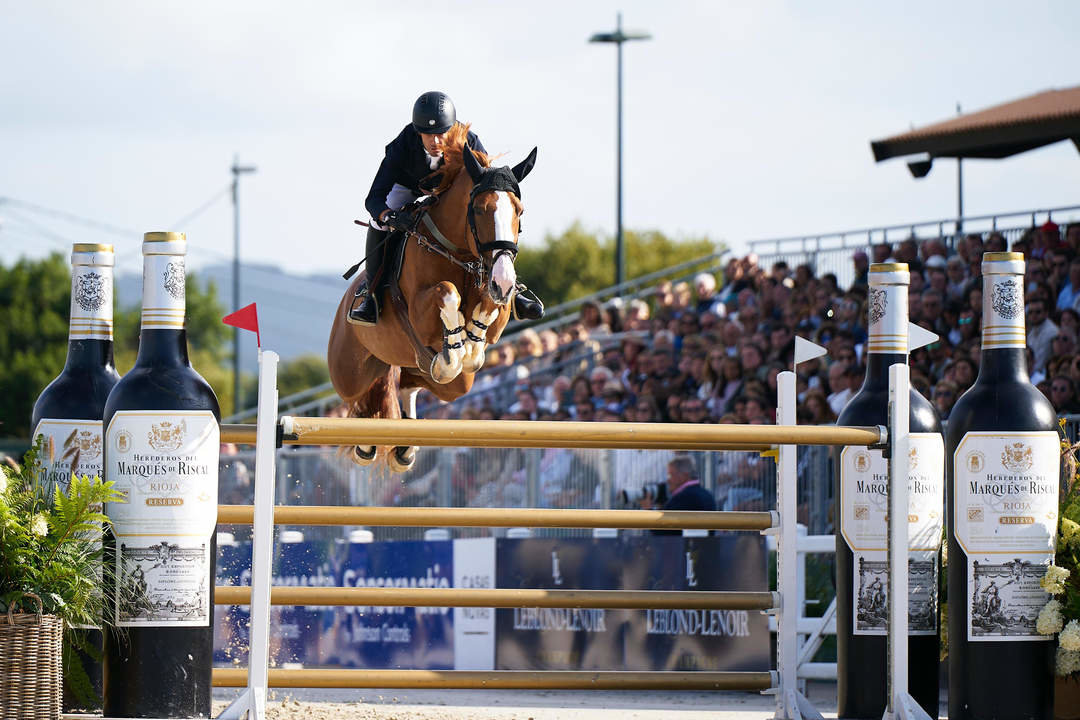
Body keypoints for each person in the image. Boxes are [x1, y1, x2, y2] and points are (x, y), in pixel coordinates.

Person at [350, 90, 544, 325]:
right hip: (409, 187)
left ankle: (512, 293)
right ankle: (372, 295)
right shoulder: (401, 147)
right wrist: (390, 216)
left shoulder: (469, 142)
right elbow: (374, 199)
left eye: (441, 134)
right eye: (428, 135)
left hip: (450, 192)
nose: (436, 142)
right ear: (417, 132)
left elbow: (487, 182)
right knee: (376, 222)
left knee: (488, 219)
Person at [650, 455, 717, 535]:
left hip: (685, 546)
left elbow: (660, 529)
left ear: (684, 476)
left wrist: (647, 508)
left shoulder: (684, 497)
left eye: (671, 475)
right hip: (707, 546)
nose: (668, 480)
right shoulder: (707, 495)